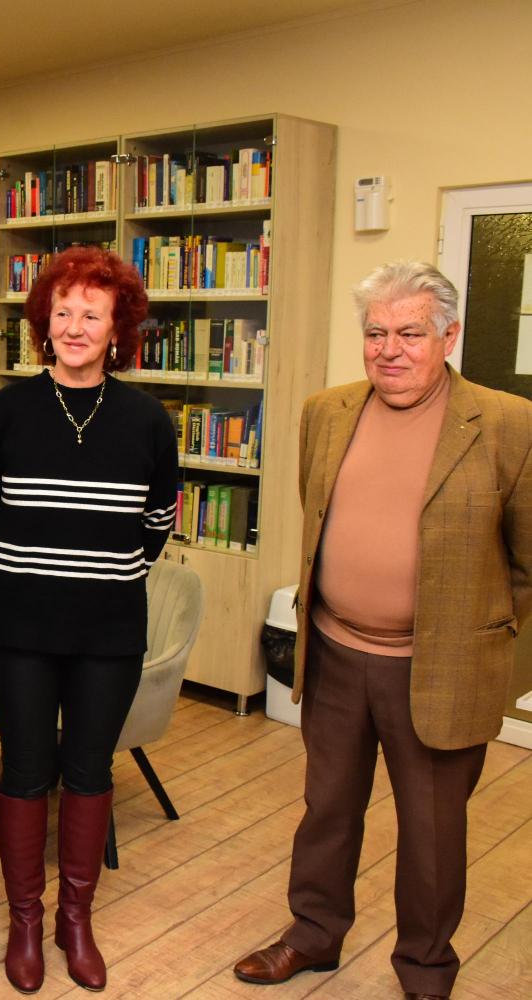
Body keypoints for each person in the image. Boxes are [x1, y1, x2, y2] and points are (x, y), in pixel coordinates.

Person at [233, 262, 532, 1000]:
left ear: (448, 337)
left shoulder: (507, 423)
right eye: (375, 333)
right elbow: (318, 517)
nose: (388, 350)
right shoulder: (326, 412)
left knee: (432, 833)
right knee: (327, 810)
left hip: (439, 669)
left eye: (409, 333)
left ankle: (425, 968)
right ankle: (314, 934)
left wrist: (478, 639)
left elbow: (528, 562)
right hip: (334, 653)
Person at [0, 245, 177, 993]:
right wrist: (30, 572)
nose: (75, 326)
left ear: (118, 329)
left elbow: (157, 523)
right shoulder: (6, 410)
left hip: (109, 631)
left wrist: (99, 576)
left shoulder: (147, 418)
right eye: (62, 312)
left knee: (89, 769)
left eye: (92, 313)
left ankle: (74, 921)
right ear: (43, 325)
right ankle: (25, 920)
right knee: (25, 770)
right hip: (18, 627)